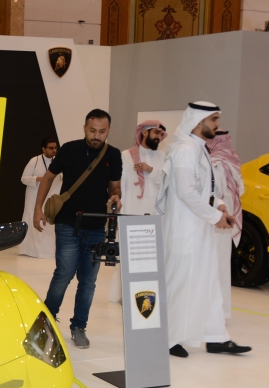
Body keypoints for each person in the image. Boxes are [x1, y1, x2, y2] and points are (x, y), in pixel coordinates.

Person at [157, 102, 250, 358]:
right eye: (214, 120)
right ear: (199, 121)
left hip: (200, 228)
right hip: (185, 231)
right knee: (180, 283)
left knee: (209, 282)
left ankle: (216, 337)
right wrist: (214, 216)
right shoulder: (185, 150)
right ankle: (168, 338)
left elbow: (209, 189)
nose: (217, 125)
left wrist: (221, 207)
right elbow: (186, 191)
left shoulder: (200, 150)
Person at [32, 109, 122, 349]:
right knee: (64, 273)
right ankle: (46, 321)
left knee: (89, 281)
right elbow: (48, 178)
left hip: (96, 227)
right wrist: (37, 209)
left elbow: (115, 188)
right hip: (67, 224)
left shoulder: (113, 155)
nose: (96, 135)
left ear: (108, 131)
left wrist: (116, 197)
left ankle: (78, 326)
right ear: (85, 128)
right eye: (92, 130)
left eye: (102, 131)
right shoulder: (69, 149)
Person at [109, 120, 167, 303]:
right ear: (144, 133)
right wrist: (120, 216)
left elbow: (167, 182)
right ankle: (124, 294)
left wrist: (151, 170)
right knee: (129, 255)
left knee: (152, 257)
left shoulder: (163, 157)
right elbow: (121, 185)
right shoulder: (126, 156)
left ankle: (147, 294)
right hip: (132, 211)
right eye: (155, 133)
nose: (158, 137)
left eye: (160, 134)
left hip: (156, 214)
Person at [207, 130, 244, 320]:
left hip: (216, 220)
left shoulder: (215, 164)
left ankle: (213, 311)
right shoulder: (233, 163)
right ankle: (222, 311)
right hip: (226, 219)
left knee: (213, 266)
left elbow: (213, 193)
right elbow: (241, 191)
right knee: (222, 266)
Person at [18, 138, 62, 258]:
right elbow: (24, 178)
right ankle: (30, 250)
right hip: (34, 196)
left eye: (55, 148)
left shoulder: (58, 161)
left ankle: (50, 250)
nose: (54, 150)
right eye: (51, 148)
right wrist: (38, 179)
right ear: (43, 149)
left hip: (52, 198)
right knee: (33, 219)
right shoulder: (34, 161)